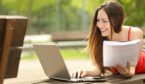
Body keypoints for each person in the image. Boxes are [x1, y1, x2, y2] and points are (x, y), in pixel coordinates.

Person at [71, 0, 145, 78]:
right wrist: (85, 72)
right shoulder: (100, 38)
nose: (100, 25)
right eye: (98, 20)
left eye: (104, 21)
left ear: (116, 21)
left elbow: (131, 70)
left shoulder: (135, 33)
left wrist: (128, 73)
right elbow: (97, 68)